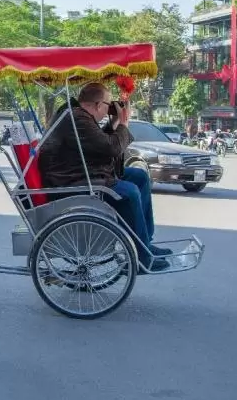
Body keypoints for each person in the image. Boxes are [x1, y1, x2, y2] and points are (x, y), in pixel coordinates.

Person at [37, 82, 171, 271]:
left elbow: (99, 143)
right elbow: (110, 148)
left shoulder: (78, 116)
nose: (110, 109)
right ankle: (141, 257)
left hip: (82, 175)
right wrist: (123, 124)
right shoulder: (76, 118)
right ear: (98, 105)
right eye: (109, 105)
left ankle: (144, 243)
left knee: (139, 176)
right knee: (129, 192)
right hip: (72, 182)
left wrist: (115, 123)